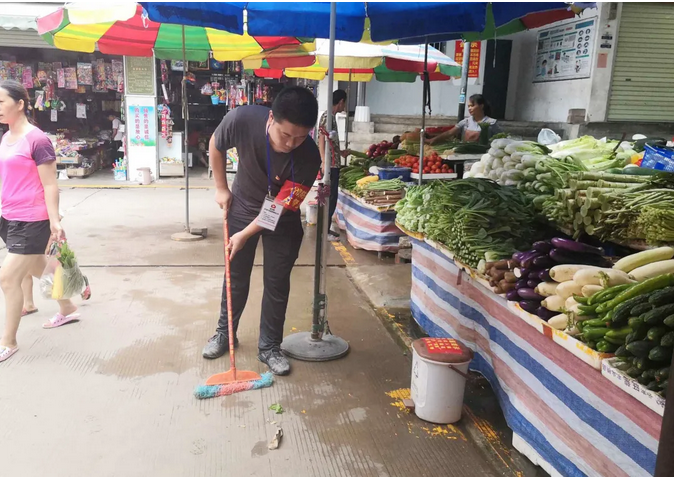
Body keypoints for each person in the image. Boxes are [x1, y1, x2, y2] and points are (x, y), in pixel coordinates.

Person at [203, 86, 321, 376]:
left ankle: (269, 347)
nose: (292, 143)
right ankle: (224, 334)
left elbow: (278, 209)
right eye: (285, 134)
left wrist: (244, 235)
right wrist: (221, 187)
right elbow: (216, 144)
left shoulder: (310, 157)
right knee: (235, 274)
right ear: (271, 119)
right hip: (242, 205)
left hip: (282, 218)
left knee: (277, 282)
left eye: (300, 136)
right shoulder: (242, 119)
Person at [0, 80, 79, 363]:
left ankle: (8, 341)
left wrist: (54, 220)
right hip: (8, 216)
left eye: (1, 102)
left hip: (32, 219)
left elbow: (50, 185)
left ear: (19, 104)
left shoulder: (37, 139)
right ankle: (67, 306)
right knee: (36, 266)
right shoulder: (6, 138)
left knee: (7, 277)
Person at [318, 89, 349, 242]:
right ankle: (324, 231)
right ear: (341, 101)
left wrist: (341, 152)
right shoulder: (327, 117)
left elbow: (330, 141)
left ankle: (326, 227)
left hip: (334, 162)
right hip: (330, 165)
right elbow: (322, 139)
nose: (345, 106)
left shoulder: (332, 117)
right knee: (329, 197)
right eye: (344, 103)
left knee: (331, 197)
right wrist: (324, 161)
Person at [428, 94, 501, 144]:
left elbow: (501, 139)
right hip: (464, 155)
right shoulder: (466, 122)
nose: (469, 108)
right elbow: (449, 133)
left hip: (482, 157)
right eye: (468, 106)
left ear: (481, 106)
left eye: (472, 106)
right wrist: (433, 140)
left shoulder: (491, 123)